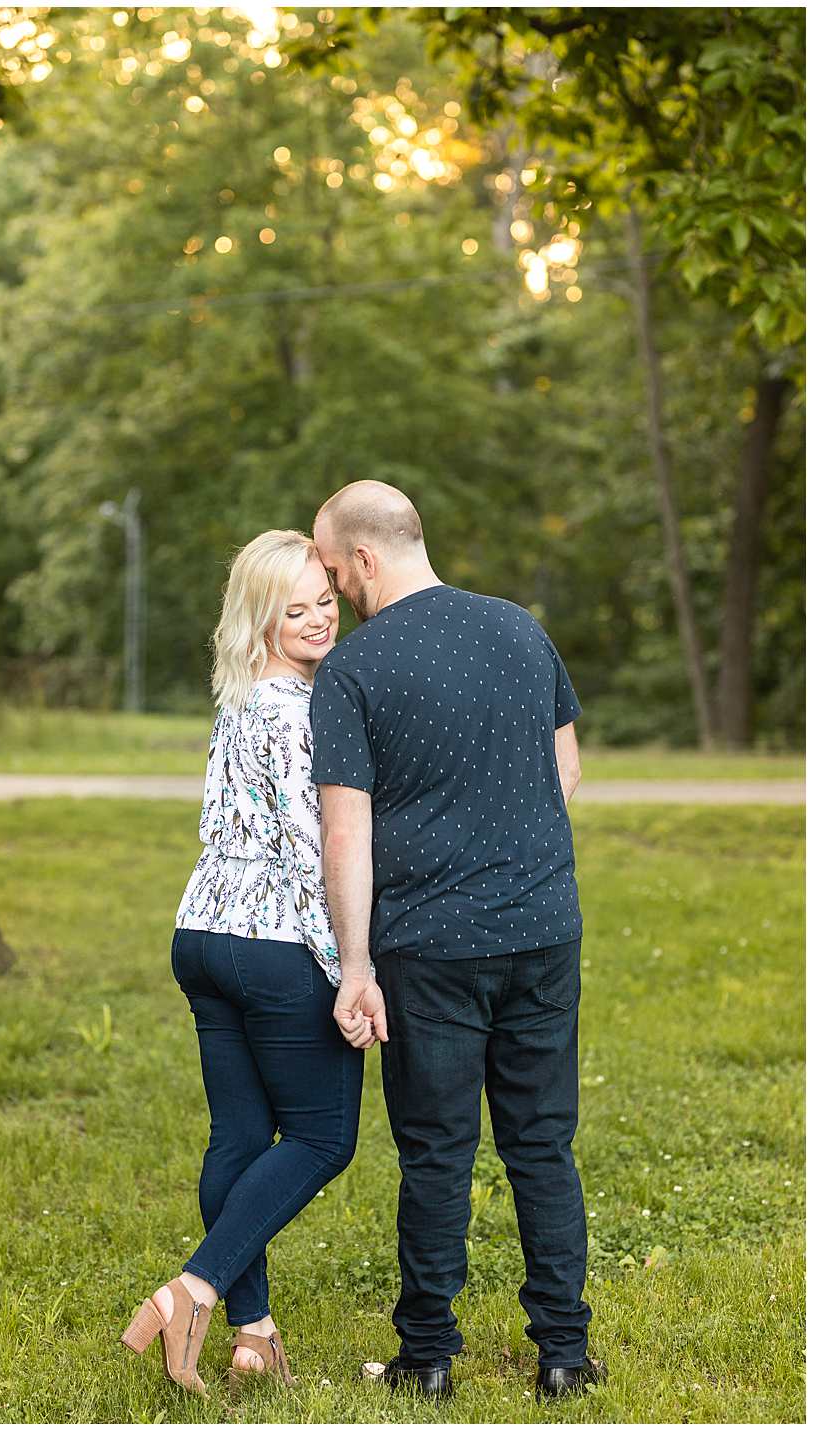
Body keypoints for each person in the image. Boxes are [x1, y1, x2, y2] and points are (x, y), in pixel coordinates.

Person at [311, 479, 602, 1401]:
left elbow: (346, 833)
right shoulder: (521, 627)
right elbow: (565, 766)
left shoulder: (353, 671)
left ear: (362, 557)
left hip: (428, 948)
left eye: (329, 567)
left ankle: (428, 1358)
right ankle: (563, 1355)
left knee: (437, 1151)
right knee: (542, 1145)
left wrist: (354, 966)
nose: (330, 587)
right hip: (542, 931)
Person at [121, 529, 363, 1395]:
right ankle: (193, 1289)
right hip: (273, 945)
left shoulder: (243, 700)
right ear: (259, 616)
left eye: (324, 601)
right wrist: (348, 969)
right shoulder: (303, 712)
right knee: (324, 1135)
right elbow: (312, 851)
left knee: (238, 1134)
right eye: (293, 608)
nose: (316, 618)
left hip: (203, 934)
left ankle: (252, 1333)